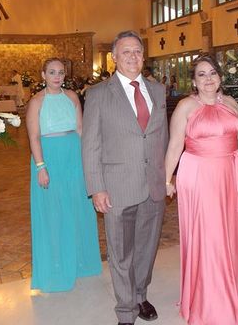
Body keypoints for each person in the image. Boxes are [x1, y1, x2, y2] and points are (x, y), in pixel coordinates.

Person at [164, 55, 238, 325]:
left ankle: (233, 284)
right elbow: (175, 146)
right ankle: (212, 300)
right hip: (199, 177)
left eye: (212, 74)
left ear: (220, 77)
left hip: (230, 175)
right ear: (194, 81)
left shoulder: (231, 104)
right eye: (201, 75)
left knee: (230, 233)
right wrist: (167, 179)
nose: (208, 79)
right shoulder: (185, 106)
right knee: (210, 237)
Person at [82, 30, 168, 325]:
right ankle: (125, 311)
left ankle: (140, 294)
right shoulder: (97, 94)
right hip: (116, 187)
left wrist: (167, 176)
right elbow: (90, 145)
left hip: (153, 184)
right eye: (126, 52)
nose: (133, 57)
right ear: (114, 57)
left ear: (144, 57)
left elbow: (162, 138)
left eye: (137, 52)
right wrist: (96, 188)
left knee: (146, 248)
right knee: (121, 253)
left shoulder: (157, 91)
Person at [25, 58, 102, 292]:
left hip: (73, 156)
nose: (57, 76)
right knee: (53, 212)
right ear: (43, 75)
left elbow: (80, 130)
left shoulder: (72, 97)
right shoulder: (36, 102)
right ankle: (56, 267)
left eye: (60, 72)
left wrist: (88, 161)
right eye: (52, 72)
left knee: (78, 209)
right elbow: (34, 137)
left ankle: (80, 263)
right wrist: (41, 167)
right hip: (49, 157)